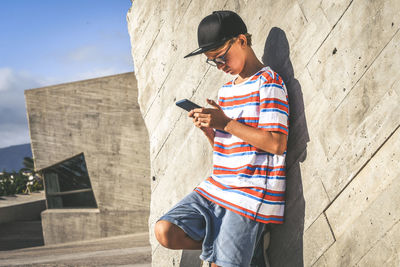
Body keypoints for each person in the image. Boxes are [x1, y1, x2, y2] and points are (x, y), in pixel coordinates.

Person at [155, 10, 289, 267]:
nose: (220, 66)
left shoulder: (269, 82)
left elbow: (276, 143)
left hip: (250, 193)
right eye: (213, 62)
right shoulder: (227, 90)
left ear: (242, 40)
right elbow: (232, 146)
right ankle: (244, 248)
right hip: (217, 188)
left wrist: (225, 122)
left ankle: (242, 247)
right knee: (165, 231)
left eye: (221, 57)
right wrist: (212, 132)